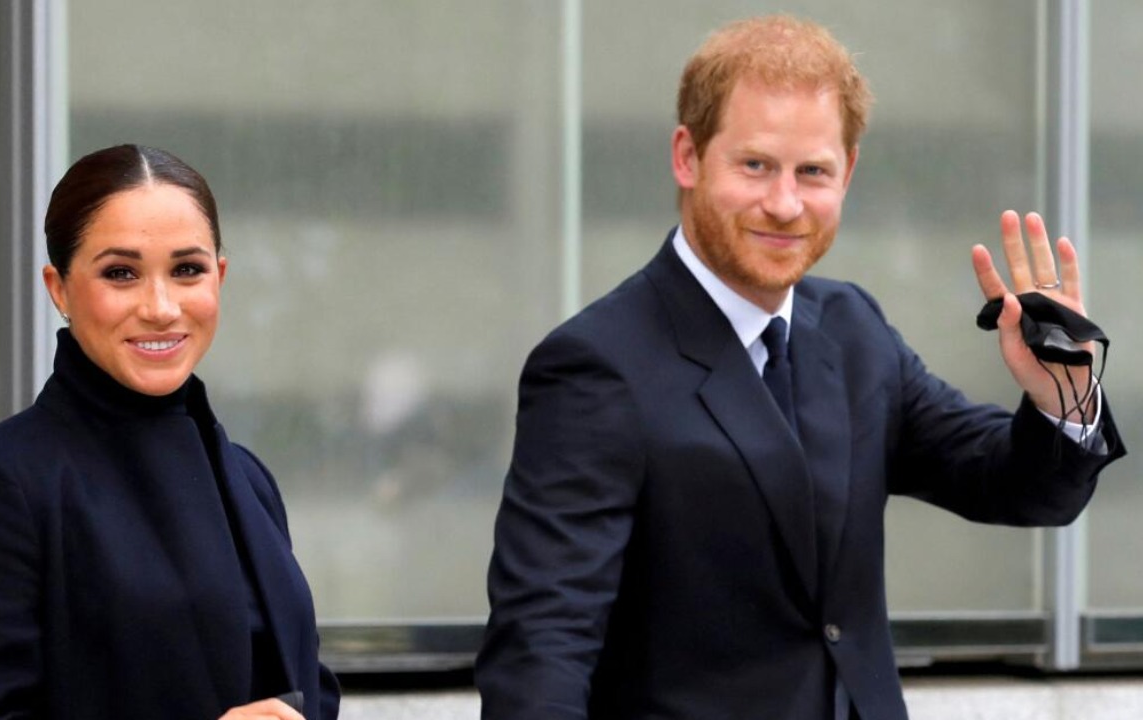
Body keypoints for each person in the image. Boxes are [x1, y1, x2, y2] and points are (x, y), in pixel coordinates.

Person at [475, 15, 1125, 720]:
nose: (784, 204)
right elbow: (542, 650)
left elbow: (1019, 489)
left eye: (812, 171)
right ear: (688, 157)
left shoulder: (853, 330)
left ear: (848, 173)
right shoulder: (596, 366)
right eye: (755, 165)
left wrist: (1063, 395)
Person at [0, 144, 340, 720]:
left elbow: (306, 686)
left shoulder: (249, 480)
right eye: (121, 273)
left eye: (187, 270)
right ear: (59, 288)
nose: (160, 307)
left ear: (219, 277)